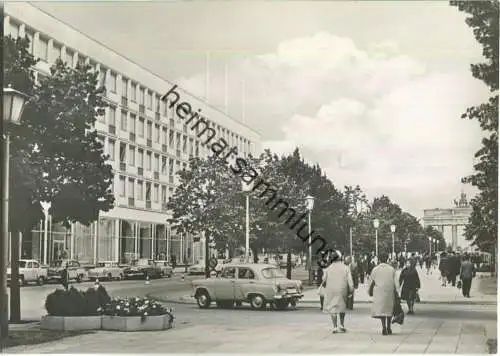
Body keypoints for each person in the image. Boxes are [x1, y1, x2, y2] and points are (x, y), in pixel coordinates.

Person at [322, 250, 354, 333]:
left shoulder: (328, 268)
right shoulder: (346, 268)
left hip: (331, 289)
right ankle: (342, 325)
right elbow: (350, 282)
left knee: (333, 307)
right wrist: (351, 291)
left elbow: (323, 280)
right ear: (340, 258)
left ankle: (335, 326)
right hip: (342, 289)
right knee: (342, 306)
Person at [369, 253, 398, 335]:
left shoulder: (375, 269)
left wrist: (369, 292)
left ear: (379, 259)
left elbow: (371, 281)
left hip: (379, 292)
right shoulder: (391, 269)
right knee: (389, 310)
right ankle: (389, 327)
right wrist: (397, 292)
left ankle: (383, 327)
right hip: (389, 291)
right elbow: (396, 282)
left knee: (382, 311)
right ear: (387, 259)